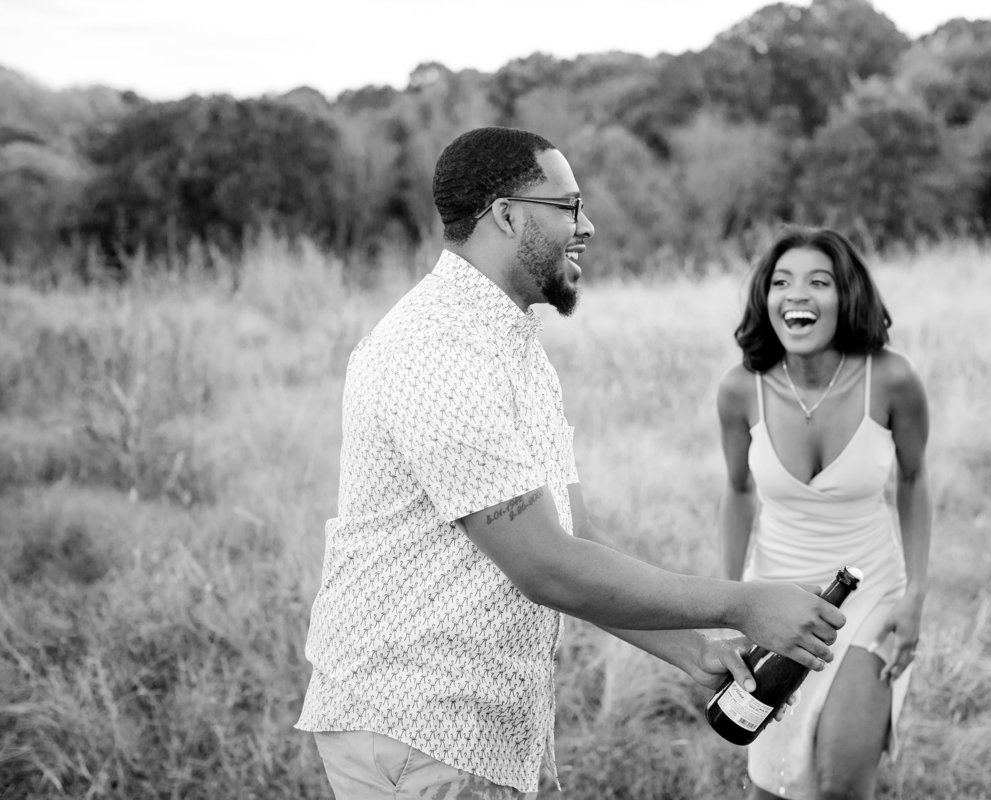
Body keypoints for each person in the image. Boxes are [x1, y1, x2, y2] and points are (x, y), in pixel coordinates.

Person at [295, 127, 847, 800]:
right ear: (507, 214)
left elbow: (574, 543)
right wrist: (745, 605)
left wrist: (692, 649)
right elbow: (546, 567)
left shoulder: (513, 346)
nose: (587, 226)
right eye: (570, 206)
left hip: (464, 734)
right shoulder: (437, 351)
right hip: (419, 732)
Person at [716, 227, 932, 800]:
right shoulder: (741, 391)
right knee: (771, 786)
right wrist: (730, 603)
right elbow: (738, 493)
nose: (797, 295)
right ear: (766, 299)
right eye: (781, 282)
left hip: (869, 598)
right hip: (773, 598)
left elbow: (913, 479)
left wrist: (916, 597)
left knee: (841, 783)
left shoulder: (891, 380)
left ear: (847, 296)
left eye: (819, 281)